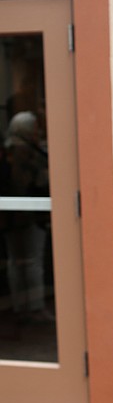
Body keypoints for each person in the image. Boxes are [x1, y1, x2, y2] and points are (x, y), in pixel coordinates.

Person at [2, 111, 52, 323]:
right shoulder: (22, 151)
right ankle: (34, 308)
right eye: (33, 128)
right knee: (31, 261)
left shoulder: (9, 148)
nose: (37, 132)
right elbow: (28, 181)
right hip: (27, 215)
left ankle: (19, 306)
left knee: (16, 261)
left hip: (12, 216)